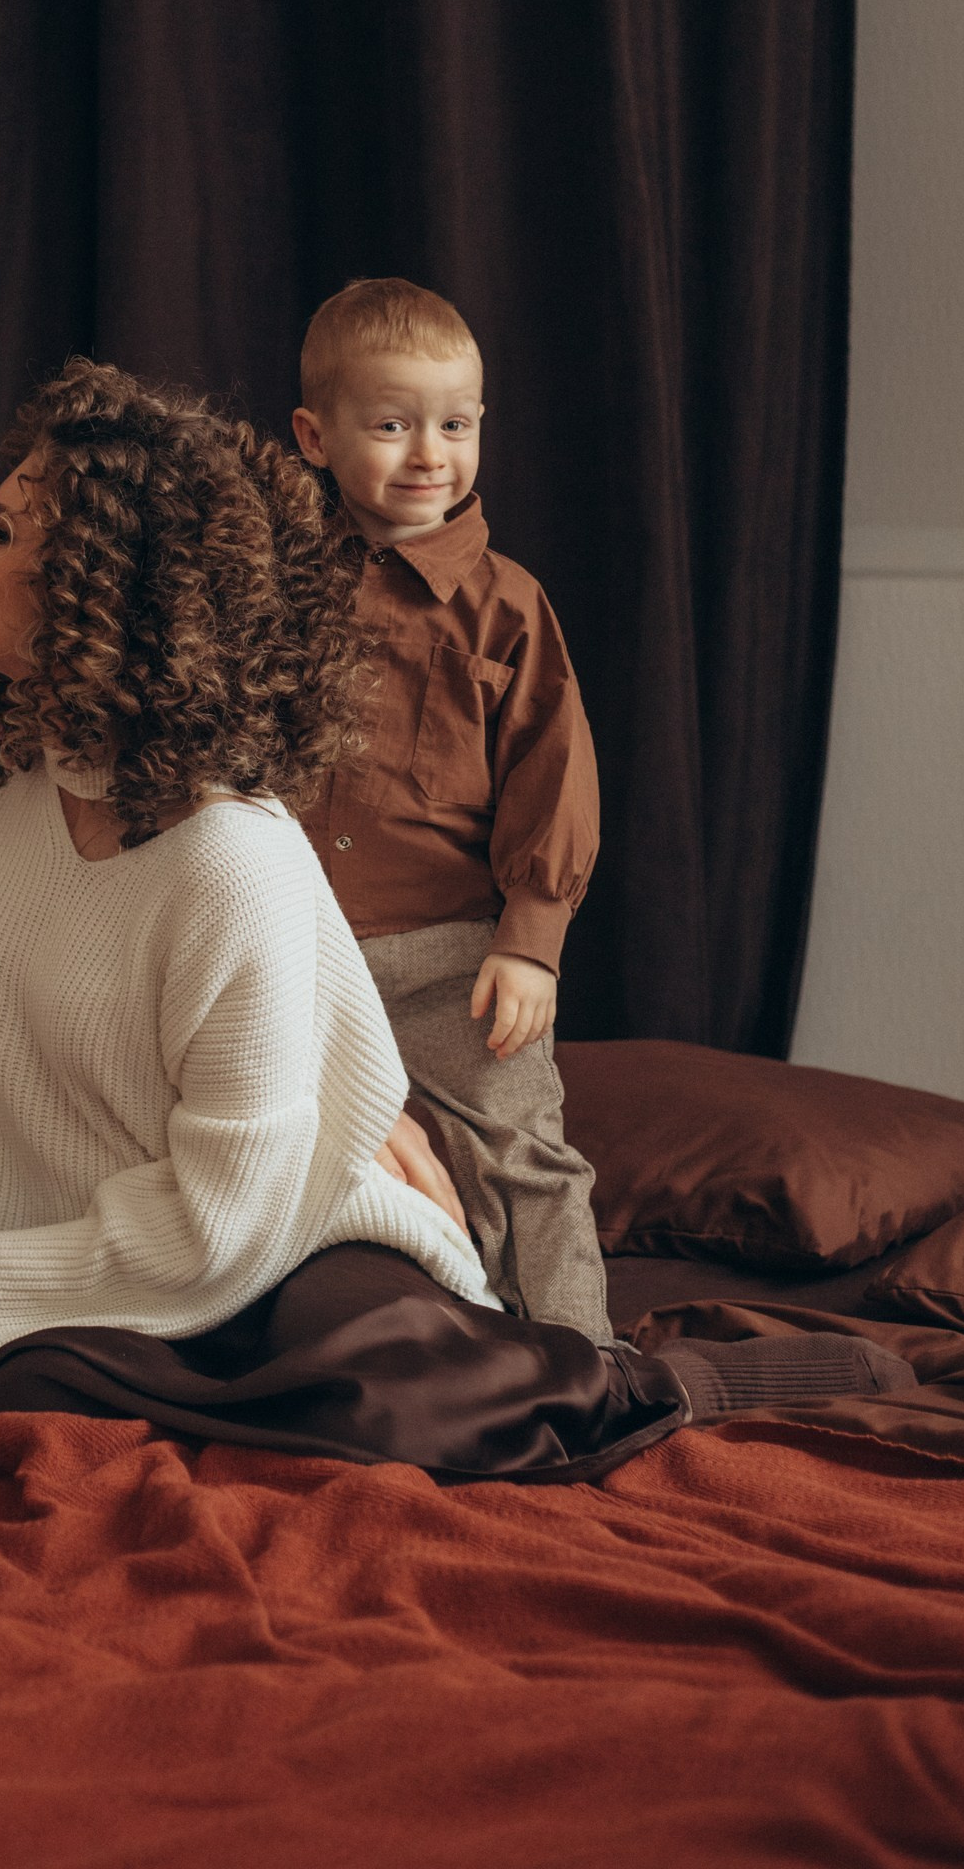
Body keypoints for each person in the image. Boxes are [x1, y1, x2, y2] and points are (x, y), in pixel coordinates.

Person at [0, 363, 911, 1472]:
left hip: (287, 1237)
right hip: (103, 1263)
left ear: (99, 599)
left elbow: (231, 1215)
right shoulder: (12, 775)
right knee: (31, 1389)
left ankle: (660, 1383)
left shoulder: (227, 856)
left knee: (390, 1394)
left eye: (1, 533)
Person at [291, 276, 614, 1343]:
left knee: (519, 1157)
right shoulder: (267, 587)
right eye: (392, 425)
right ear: (316, 436)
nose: (430, 454)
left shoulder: (508, 603)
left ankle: (582, 1356)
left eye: (456, 426)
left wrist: (531, 944)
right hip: (286, 952)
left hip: (450, 957)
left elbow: (552, 776)